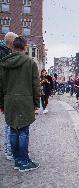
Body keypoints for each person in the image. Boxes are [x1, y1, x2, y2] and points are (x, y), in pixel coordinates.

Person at [0, 36, 40, 172]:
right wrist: (36, 103)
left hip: (9, 101)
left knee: (12, 130)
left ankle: (17, 161)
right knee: (23, 131)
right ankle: (24, 161)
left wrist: (1, 103)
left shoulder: (4, 63)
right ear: (25, 47)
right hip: (25, 101)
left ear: (13, 47)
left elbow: (0, 85)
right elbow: (35, 85)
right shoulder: (30, 63)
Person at [0, 32, 18, 161]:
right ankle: (8, 150)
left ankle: (9, 149)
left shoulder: (5, 52)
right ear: (11, 43)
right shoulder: (4, 55)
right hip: (5, 94)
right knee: (9, 123)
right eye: (15, 42)